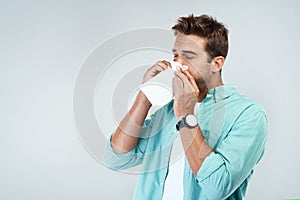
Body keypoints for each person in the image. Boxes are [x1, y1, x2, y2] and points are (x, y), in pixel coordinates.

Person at [104, 14, 268, 200]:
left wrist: (186, 116)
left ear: (216, 63)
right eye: (175, 55)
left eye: (188, 56)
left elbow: (218, 187)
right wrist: (146, 94)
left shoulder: (248, 115)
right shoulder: (167, 112)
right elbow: (116, 159)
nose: (178, 64)